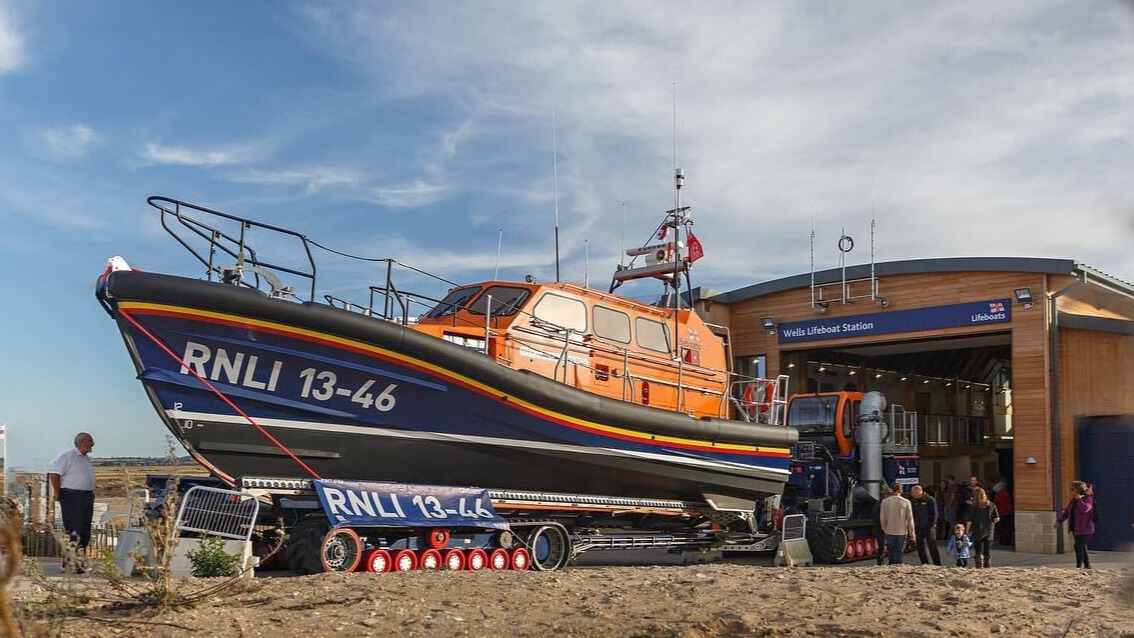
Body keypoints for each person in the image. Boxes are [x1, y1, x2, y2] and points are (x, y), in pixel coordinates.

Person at [48, 433, 97, 566]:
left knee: (85, 530)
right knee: (74, 530)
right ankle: (71, 563)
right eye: (89, 441)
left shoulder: (85, 459)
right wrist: (58, 492)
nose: (92, 444)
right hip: (72, 497)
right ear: (80, 442)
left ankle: (79, 562)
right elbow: (55, 474)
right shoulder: (68, 456)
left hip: (86, 497)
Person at [1055, 480, 1095, 569]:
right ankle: (1087, 565)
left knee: (1078, 546)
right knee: (1082, 547)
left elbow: (1085, 509)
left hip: (1085, 529)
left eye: (1072, 490)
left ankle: (1078, 566)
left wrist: (1079, 500)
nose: (1071, 491)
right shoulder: (1073, 500)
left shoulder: (1087, 499)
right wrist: (1059, 521)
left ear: (1077, 490)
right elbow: (1067, 511)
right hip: (1076, 528)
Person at [879, 482, 915, 565]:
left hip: (889, 530)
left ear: (892, 490)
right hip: (901, 531)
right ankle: (898, 566)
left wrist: (884, 528)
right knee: (899, 551)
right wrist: (912, 534)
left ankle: (891, 565)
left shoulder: (885, 502)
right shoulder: (906, 502)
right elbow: (910, 519)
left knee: (890, 551)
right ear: (901, 490)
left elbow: (882, 518)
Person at [965, 486, 999, 568]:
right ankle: (987, 566)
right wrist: (992, 521)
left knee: (978, 551)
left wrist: (967, 530)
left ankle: (979, 566)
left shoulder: (974, 506)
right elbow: (997, 518)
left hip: (977, 529)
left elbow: (970, 520)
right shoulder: (991, 505)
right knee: (987, 550)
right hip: (989, 529)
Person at [909, 485, 941, 565]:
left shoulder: (930, 500)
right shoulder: (914, 501)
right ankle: (924, 563)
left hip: (929, 527)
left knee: (932, 546)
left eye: (913, 493)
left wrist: (931, 525)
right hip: (918, 526)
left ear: (918, 492)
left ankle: (937, 564)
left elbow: (934, 514)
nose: (912, 495)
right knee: (919, 546)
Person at [992, 481, 1014, 545]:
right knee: (1008, 528)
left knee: (1002, 528)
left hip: (1002, 513)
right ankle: (1009, 541)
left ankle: (1002, 541)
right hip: (1009, 512)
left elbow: (996, 502)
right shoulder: (1007, 493)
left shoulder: (999, 494)